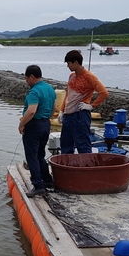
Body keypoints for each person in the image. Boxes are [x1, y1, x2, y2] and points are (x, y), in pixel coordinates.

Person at [58, 50, 109, 154]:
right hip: (68, 115)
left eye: (69, 63)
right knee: (65, 144)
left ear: (76, 62)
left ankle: (85, 168)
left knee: (82, 144)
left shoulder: (89, 77)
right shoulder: (72, 76)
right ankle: (68, 168)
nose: (67, 66)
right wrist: (62, 110)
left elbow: (103, 92)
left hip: (80, 114)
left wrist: (91, 106)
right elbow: (68, 95)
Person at [18, 65, 57, 197]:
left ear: (32, 77)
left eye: (26, 79)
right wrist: (46, 118)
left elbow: (31, 111)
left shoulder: (35, 92)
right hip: (45, 124)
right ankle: (47, 181)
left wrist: (21, 124)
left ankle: (38, 185)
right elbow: (54, 107)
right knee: (40, 154)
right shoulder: (50, 88)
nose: (26, 82)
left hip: (34, 126)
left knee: (32, 156)